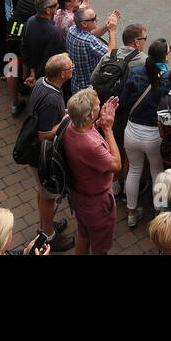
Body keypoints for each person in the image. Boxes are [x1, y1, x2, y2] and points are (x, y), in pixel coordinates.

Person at [24, 53, 76, 252]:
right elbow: (44, 135)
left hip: (33, 154)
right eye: (71, 67)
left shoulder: (41, 82)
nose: (73, 69)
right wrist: (65, 120)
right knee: (47, 196)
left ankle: (45, 226)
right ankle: (49, 236)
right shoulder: (53, 99)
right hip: (42, 156)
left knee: (41, 191)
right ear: (62, 74)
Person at [61, 87, 121, 255]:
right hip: (97, 203)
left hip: (79, 196)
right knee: (100, 248)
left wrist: (97, 124)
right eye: (97, 105)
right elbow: (116, 165)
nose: (100, 105)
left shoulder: (69, 123)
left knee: (84, 235)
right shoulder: (91, 146)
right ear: (90, 115)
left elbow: (86, 128)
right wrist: (107, 128)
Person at [120, 38, 170, 229]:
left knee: (134, 170)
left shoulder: (136, 73)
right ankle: (159, 213)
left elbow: (124, 100)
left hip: (131, 131)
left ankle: (131, 213)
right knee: (158, 171)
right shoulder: (167, 77)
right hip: (154, 135)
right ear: (165, 57)